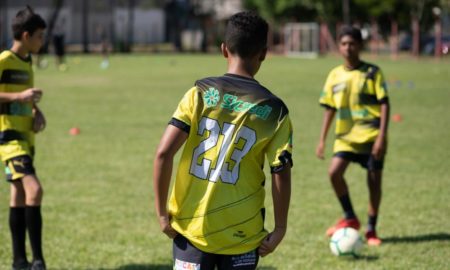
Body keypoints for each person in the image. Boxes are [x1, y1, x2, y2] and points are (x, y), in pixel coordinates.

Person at [153, 11, 293, 269]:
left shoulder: (200, 93)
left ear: (223, 49)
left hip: (191, 228)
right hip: (243, 232)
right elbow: (280, 172)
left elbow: (163, 154)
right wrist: (280, 228)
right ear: (263, 53)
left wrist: (162, 214)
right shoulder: (274, 110)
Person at [316, 26, 390, 246]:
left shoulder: (373, 72)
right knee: (334, 173)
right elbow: (329, 108)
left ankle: (371, 230)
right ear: (339, 47)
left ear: (360, 46)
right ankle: (350, 217)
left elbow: (385, 104)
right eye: (344, 44)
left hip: (370, 137)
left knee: (374, 183)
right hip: (346, 137)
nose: (348, 48)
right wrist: (322, 139)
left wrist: (381, 137)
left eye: (352, 43)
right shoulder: (334, 75)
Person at [0, 6, 47, 270]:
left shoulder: (26, 61)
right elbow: (17, 95)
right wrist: (20, 98)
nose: (43, 41)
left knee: (17, 193)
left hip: (26, 138)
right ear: (26, 35)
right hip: (8, 139)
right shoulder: (4, 60)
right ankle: (38, 260)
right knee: (34, 189)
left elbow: (24, 96)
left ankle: (19, 261)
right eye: (40, 36)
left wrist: (35, 111)